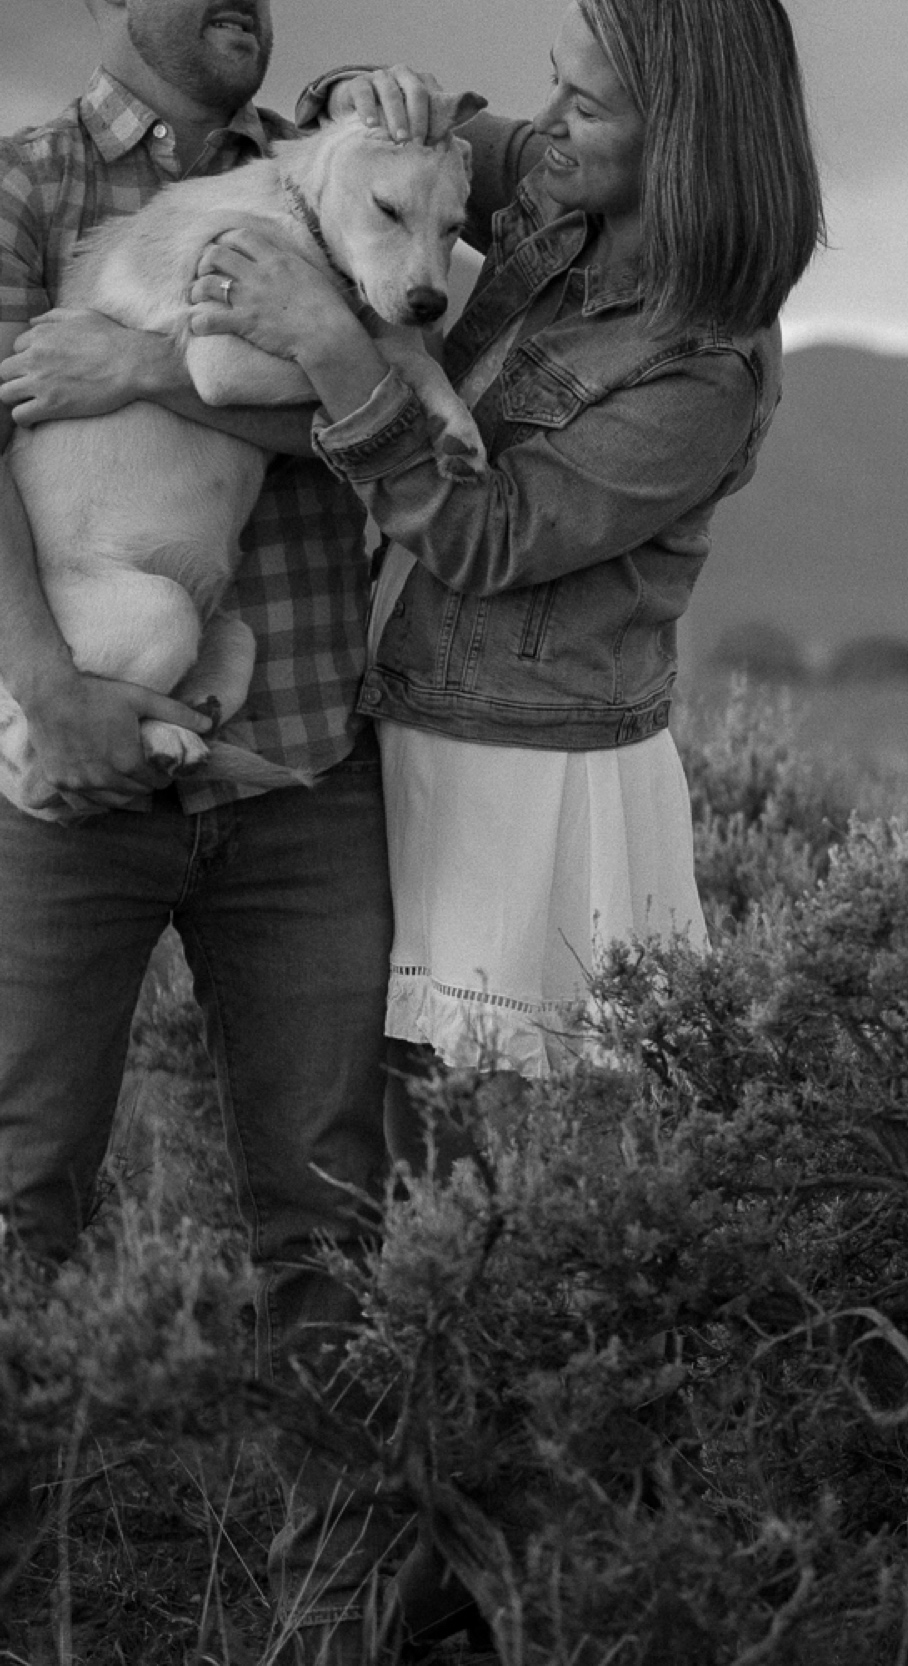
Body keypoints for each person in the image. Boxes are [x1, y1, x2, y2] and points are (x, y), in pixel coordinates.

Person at [192, 2, 821, 1138]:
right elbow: (386, 140)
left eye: (587, 103)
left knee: (500, 1154)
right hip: (401, 728)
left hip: (533, 779)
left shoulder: (703, 365)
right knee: (377, 1142)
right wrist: (361, 94)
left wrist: (334, 351)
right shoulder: (559, 183)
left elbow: (490, 539)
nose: (551, 120)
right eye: (555, 84)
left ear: (681, 135)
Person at [0, 0, 394, 1652]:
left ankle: (351, 1599)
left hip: (300, 766)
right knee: (20, 1197)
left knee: (330, 1213)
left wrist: (156, 364)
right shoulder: (24, 191)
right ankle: (22, 1590)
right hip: (65, 781)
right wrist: (47, 682)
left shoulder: (328, 181)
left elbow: (372, 416)